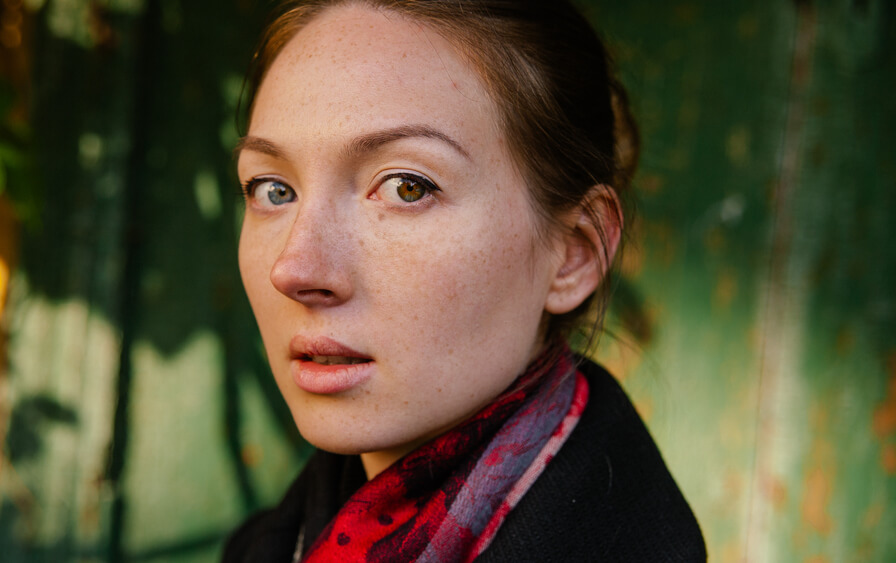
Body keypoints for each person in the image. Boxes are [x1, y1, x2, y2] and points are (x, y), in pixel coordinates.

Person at [224, 0, 706, 560]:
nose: (295, 269)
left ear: (573, 253)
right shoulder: (272, 546)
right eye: (272, 190)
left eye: (407, 186)